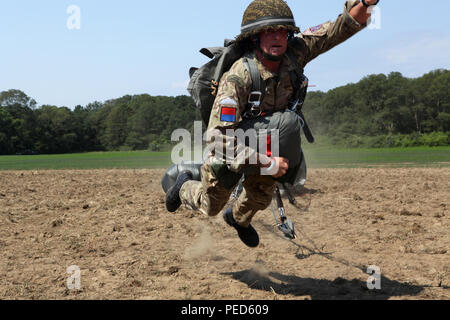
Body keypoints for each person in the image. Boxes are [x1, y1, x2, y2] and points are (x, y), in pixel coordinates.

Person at [166, 0, 380, 247]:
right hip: (233, 147)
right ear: (255, 37)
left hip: (268, 142)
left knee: (259, 198)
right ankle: (183, 186)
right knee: (210, 205)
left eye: (282, 32)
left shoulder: (295, 52)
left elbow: (338, 29)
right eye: (269, 31)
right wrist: (266, 161)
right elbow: (217, 140)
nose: (277, 37)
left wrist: (365, 4)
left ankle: (237, 219)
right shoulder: (238, 76)